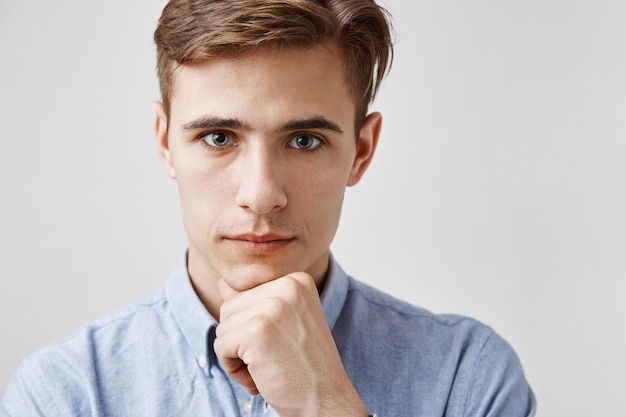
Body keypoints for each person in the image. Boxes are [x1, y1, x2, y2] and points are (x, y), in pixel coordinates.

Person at [0, 0, 536, 416]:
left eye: (303, 140)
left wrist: (327, 406)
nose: (260, 194)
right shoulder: (65, 395)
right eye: (217, 137)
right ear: (165, 142)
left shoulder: (467, 378)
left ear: (362, 151)